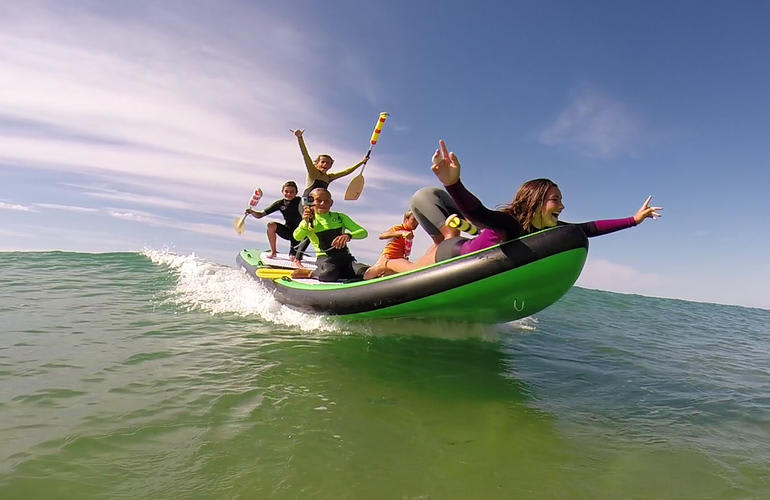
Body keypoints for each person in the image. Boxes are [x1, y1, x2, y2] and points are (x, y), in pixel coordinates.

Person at [370, 139, 662, 277]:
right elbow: (479, 214)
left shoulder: (547, 230)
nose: (562, 205)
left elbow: (589, 228)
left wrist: (633, 220)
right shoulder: (511, 224)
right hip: (453, 252)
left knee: (442, 239)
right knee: (408, 270)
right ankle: (384, 263)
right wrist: (453, 184)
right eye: (555, 200)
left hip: (464, 244)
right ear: (534, 202)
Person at [291, 129, 369, 261]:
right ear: (317, 163)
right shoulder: (312, 172)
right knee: (309, 226)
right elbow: (306, 156)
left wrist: (361, 162)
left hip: (321, 202)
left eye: (328, 163)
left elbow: (346, 172)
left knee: (320, 228)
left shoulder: (329, 177)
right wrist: (300, 138)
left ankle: (325, 255)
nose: (325, 165)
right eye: (323, 162)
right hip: (308, 201)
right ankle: (296, 257)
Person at [290, 188, 369, 282]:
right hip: (325, 259)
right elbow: (297, 237)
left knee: (366, 271)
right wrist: (305, 223)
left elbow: (363, 232)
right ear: (311, 202)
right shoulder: (309, 221)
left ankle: (343, 272)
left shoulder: (340, 217)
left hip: (345, 257)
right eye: (319, 200)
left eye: (326, 201)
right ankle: (310, 273)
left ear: (331, 203)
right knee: (329, 274)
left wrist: (348, 235)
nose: (323, 204)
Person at [246, 181, 302, 263]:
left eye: (292, 192)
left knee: (292, 258)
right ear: (282, 191)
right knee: (271, 225)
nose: (289, 194)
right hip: (287, 231)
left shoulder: (301, 201)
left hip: (300, 233)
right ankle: (273, 252)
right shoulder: (280, 203)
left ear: (296, 193)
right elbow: (260, 215)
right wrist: (252, 212)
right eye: (286, 191)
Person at [363, 210, 420, 280]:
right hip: (388, 258)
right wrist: (401, 233)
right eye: (414, 220)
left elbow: (407, 251)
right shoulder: (398, 228)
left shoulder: (410, 234)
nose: (416, 223)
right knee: (367, 276)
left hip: (399, 260)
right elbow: (382, 236)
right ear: (406, 219)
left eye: (418, 221)